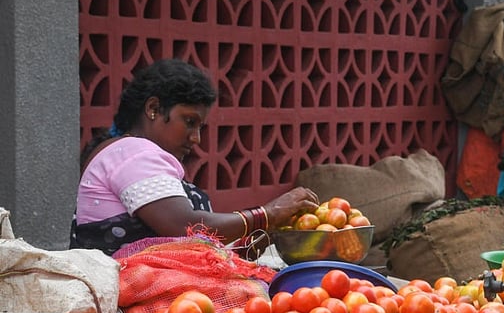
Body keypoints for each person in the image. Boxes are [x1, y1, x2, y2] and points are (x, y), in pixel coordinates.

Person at [70, 58, 320, 257]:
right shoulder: (134, 153)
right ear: (153, 109)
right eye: (189, 122)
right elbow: (183, 225)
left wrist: (249, 237)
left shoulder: (121, 151)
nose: (196, 138)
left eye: (200, 127)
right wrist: (267, 214)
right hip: (136, 302)